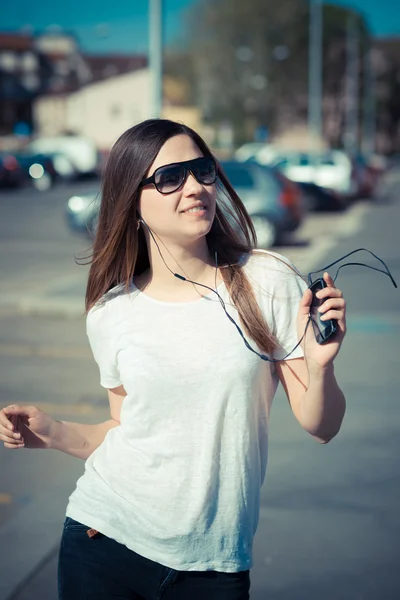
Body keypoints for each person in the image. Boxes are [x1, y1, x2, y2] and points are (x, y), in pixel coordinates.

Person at [0, 119, 347, 600]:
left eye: (202, 171)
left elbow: (322, 425)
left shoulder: (267, 280)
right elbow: (124, 430)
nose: (194, 187)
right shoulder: (111, 312)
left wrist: (321, 365)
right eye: (169, 178)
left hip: (214, 567)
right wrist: (54, 432)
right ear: (132, 200)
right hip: (103, 542)